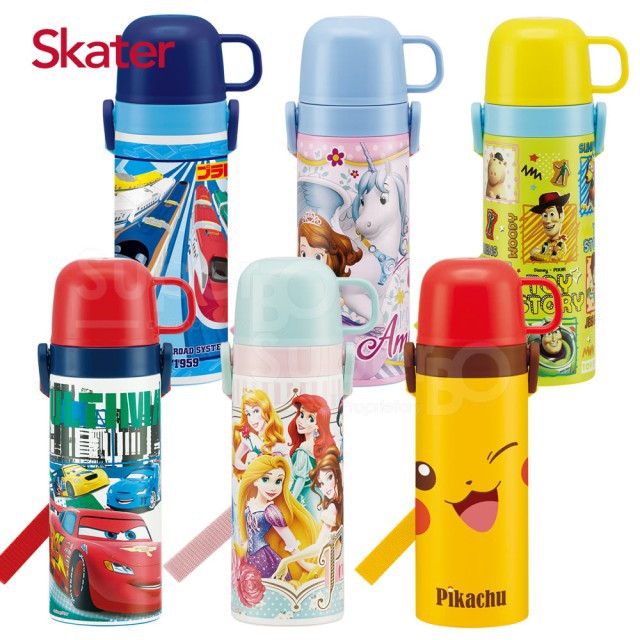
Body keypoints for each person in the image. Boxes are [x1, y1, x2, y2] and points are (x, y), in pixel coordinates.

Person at [237, 455, 318, 581]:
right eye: (265, 479)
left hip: (266, 562)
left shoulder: (271, 511)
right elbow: (249, 536)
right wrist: (241, 555)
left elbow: (290, 541)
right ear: (255, 481)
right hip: (250, 559)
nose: (273, 487)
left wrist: (304, 564)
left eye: (278, 481)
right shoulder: (249, 505)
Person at [273, 447, 343, 580]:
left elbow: (318, 547)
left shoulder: (333, 508)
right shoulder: (333, 506)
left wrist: (287, 561)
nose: (325, 488)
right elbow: (319, 547)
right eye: (321, 483)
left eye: (329, 477)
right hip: (334, 570)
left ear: (337, 474)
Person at [288, 394, 336, 518]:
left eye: (311, 418)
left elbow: (300, 480)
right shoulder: (319, 446)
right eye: (301, 415)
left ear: (318, 424)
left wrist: (289, 501)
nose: (301, 421)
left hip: (303, 496)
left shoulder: (304, 447)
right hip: (317, 496)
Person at [529, 191, 570, 262]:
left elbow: (553, 259)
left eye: (552, 214)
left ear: (561, 216)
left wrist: (535, 254)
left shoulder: (561, 244)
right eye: (544, 215)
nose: (547, 220)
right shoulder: (546, 244)